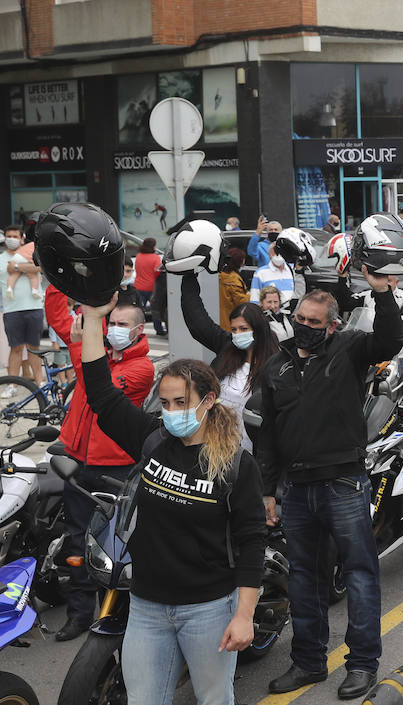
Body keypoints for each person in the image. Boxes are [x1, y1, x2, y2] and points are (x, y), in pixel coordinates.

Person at [77, 297, 265, 705]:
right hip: (145, 606)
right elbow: (101, 394)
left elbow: (252, 541)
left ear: (208, 401)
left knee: (214, 699)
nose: (171, 412)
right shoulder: (152, 440)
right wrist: (93, 319)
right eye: (165, 403)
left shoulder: (236, 465)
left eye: (181, 403)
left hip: (208, 609)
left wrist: (244, 615)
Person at [256, 274, 402, 699]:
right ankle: (308, 663)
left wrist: (382, 291)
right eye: (299, 318)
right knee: (305, 579)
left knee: (358, 574)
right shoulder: (277, 364)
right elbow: (268, 433)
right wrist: (267, 491)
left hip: (343, 484)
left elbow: (390, 339)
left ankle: (361, 665)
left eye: (314, 321)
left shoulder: (350, 347)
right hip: (297, 491)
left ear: (331, 325)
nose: (304, 325)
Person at [43, 290, 155, 641]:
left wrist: (79, 346)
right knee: (76, 543)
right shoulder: (98, 349)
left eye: (123, 325)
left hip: (117, 469)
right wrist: (63, 281)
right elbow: (58, 316)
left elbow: (98, 388)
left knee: (118, 547)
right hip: (79, 463)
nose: (115, 329)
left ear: (139, 331)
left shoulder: (142, 368)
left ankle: (123, 618)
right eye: (112, 323)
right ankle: (79, 616)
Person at [181, 274, 281, 453]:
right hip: (215, 443)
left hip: (252, 451)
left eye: (244, 329)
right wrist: (188, 276)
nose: (238, 334)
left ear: (258, 330)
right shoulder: (227, 346)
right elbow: (198, 321)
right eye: (234, 329)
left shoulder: (276, 364)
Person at [0, 226, 47, 397]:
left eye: (15, 236)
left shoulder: (33, 253)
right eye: (8, 236)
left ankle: (40, 382)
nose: (11, 238)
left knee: (34, 347)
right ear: (4, 238)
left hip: (34, 308)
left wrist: (16, 267)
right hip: (11, 311)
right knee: (15, 348)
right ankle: (12, 384)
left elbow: (41, 268)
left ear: (22, 238)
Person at [133, 237, 166, 335]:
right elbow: (158, 272)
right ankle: (159, 330)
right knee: (155, 310)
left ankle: (135, 329)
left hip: (138, 287)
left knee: (138, 311)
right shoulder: (155, 258)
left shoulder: (138, 256)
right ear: (153, 246)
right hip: (152, 288)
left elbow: (137, 269)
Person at [218, 247, 250, 330]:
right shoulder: (233, 280)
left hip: (221, 319)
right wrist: (251, 295)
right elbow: (241, 302)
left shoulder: (221, 275)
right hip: (231, 322)